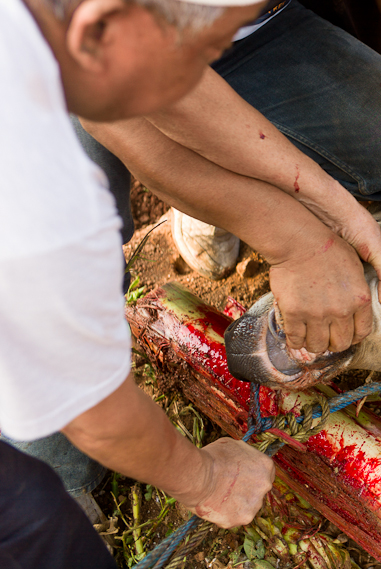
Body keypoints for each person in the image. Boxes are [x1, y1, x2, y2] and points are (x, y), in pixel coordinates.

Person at [0, 0, 279, 566]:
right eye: (193, 56)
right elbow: (91, 410)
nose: (205, 73)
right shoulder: (40, 194)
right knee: (35, 524)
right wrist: (204, 481)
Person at [79, 0, 381, 360]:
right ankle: (208, 181)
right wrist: (297, 243)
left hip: (253, 30)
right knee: (68, 260)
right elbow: (115, 116)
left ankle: (229, 165)